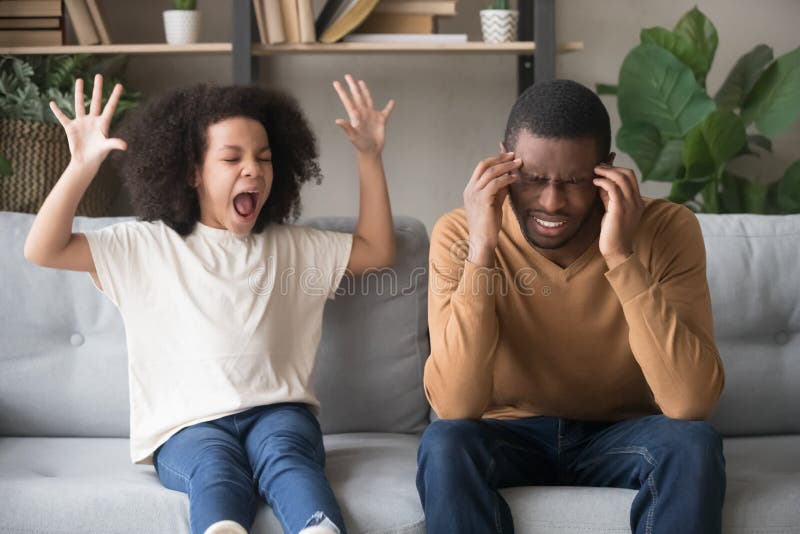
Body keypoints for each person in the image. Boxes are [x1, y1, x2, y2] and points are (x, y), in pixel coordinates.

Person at [24, 73, 396, 534]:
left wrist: (369, 155)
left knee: (287, 458)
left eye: (263, 158)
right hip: (187, 428)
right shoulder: (144, 247)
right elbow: (44, 249)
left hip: (279, 411)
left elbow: (378, 250)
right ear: (192, 172)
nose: (253, 170)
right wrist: (80, 166)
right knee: (214, 469)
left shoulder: (294, 248)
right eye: (231, 158)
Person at [417, 79, 726, 534]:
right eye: (533, 180)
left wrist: (620, 256)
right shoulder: (461, 234)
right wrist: (482, 249)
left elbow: (691, 401)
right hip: (511, 435)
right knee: (445, 442)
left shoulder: (665, 229)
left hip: (622, 434)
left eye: (575, 182)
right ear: (503, 162)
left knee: (694, 444)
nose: (551, 202)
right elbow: (455, 404)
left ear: (607, 171)